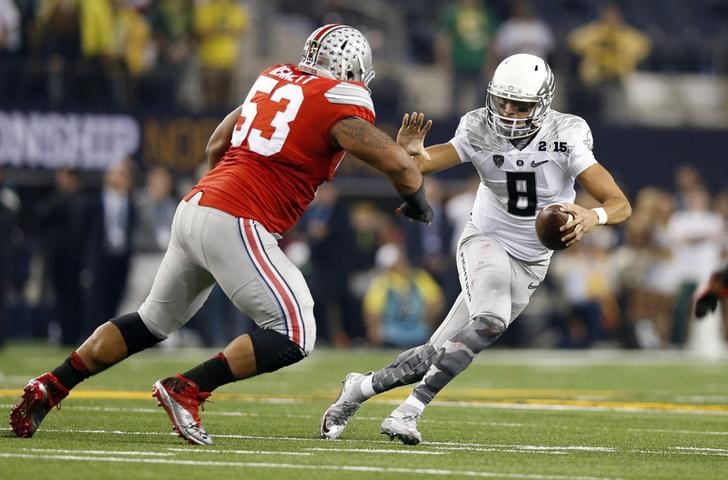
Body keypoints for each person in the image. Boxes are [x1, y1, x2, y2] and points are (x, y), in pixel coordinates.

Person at [9, 24, 433, 445]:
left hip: (197, 205)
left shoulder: (273, 78)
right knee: (296, 332)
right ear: (353, 68)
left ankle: (50, 385)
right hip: (236, 215)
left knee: (150, 321)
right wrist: (418, 205)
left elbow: (216, 144)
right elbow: (399, 166)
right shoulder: (337, 100)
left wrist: (224, 194)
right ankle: (188, 388)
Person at [320, 53, 632, 445]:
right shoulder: (479, 127)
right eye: (502, 101)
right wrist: (407, 156)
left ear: (543, 102)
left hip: (533, 260)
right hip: (487, 240)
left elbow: (620, 203)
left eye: (519, 105)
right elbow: (423, 166)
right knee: (490, 321)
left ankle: (360, 389)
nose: (508, 111)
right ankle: (409, 411)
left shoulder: (567, 134)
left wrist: (591, 217)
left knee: (437, 353)